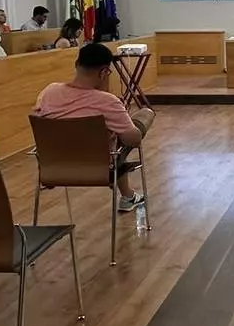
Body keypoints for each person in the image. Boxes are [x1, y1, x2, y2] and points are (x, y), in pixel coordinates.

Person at [32, 43, 150, 212]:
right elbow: (134, 140)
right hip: (100, 169)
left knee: (112, 133)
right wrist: (119, 113)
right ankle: (128, 197)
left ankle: (129, 196)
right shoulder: (108, 102)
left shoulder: (48, 92)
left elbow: (37, 117)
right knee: (143, 117)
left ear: (76, 64)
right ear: (104, 72)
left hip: (53, 168)